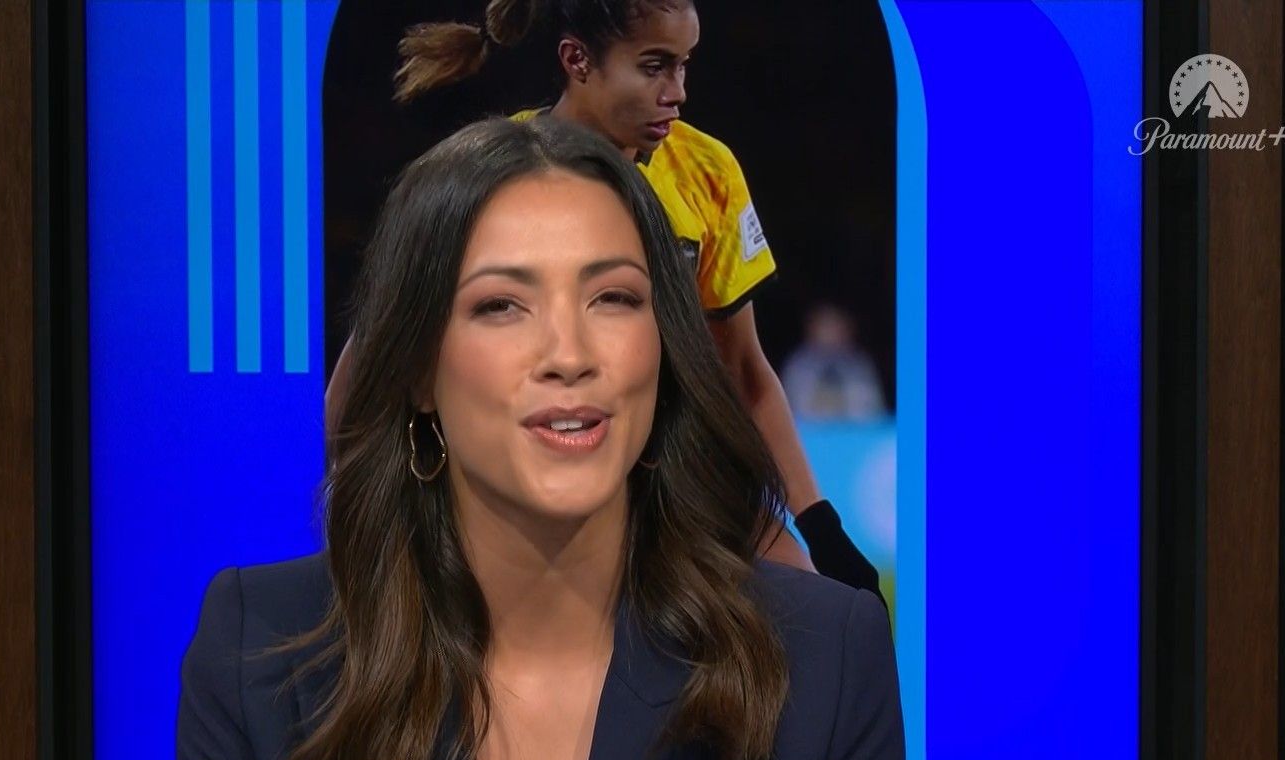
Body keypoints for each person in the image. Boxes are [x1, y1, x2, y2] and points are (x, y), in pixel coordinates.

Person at [164, 117, 914, 760]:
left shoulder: (824, 665)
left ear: (663, 349)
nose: (569, 352)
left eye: (613, 298)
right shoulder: (263, 656)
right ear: (418, 368)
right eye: (501, 306)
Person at [325, 0, 882, 596]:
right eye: (654, 67)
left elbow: (744, 370)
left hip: (678, 470)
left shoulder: (707, 172)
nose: (678, 92)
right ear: (577, 61)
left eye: (684, 65)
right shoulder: (485, 175)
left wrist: (818, 524)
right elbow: (371, 360)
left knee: (809, 606)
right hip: (537, 473)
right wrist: (352, 500)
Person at [783, 303, 889, 420]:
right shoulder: (797, 365)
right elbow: (789, 408)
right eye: (825, 326)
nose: (830, 333)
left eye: (835, 326)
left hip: (853, 429)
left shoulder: (860, 365)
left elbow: (873, 410)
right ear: (811, 329)